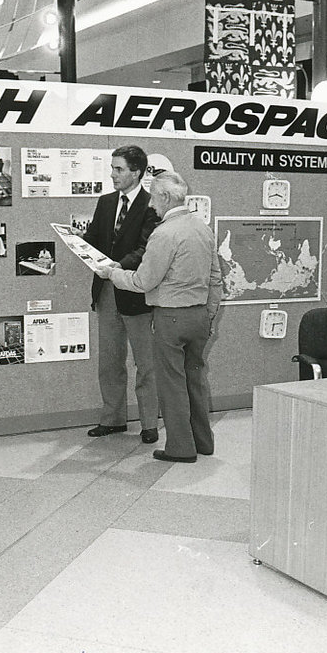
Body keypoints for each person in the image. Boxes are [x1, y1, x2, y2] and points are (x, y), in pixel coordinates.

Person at [94, 171, 222, 463]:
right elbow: (216, 279)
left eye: (153, 197)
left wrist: (112, 273)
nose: (151, 205)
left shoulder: (163, 234)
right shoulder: (202, 228)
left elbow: (143, 281)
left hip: (170, 319)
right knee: (195, 380)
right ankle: (203, 442)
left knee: (172, 385)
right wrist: (208, 315)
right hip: (199, 317)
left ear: (165, 197)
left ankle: (181, 448)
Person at [82, 145, 160, 443]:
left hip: (137, 292)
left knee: (146, 363)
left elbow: (146, 248)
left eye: (119, 169)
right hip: (107, 292)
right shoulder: (105, 203)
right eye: (112, 168)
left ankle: (149, 424)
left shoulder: (152, 205)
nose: (112, 174)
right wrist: (77, 241)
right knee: (110, 360)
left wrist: (118, 266)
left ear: (136, 172)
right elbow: (94, 240)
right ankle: (112, 418)